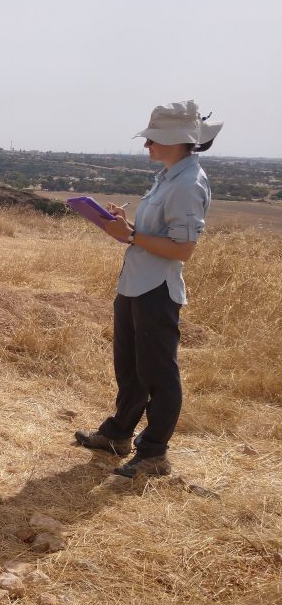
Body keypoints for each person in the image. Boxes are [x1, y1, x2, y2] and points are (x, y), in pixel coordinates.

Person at [75, 100, 223, 479]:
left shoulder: (189, 183)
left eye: (153, 138)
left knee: (158, 372)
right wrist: (126, 229)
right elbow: (153, 237)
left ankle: (155, 452)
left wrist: (132, 235)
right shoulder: (171, 175)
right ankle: (119, 434)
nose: (147, 146)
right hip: (137, 283)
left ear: (176, 140)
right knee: (130, 366)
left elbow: (183, 250)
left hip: (157, 289)